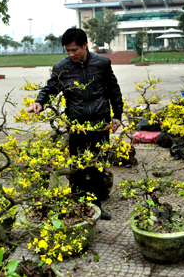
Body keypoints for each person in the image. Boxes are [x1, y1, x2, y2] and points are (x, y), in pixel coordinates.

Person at [27, 28, 123, 220]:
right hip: (77, 125)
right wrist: (40, 101)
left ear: (85, 45)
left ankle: (96, 208)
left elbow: (113, 90)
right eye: (68, 50)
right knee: (77, 169)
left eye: (75, 50)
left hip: (99, 124)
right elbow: (51, 88)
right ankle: (77, 207)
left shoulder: (102, 63)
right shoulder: (62, 68)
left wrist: (117, 115)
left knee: (97, 169)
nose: (71, 54)